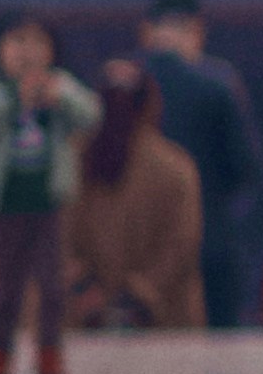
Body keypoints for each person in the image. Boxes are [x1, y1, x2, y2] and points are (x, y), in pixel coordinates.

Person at [0, 13, 92, 374]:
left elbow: (91, 114)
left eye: (36, 42)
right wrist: (16, 98)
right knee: (6, 287)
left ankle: (50, 353)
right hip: (7, 203)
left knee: (51, 285)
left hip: (48, 202)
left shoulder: (59, 86)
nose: (27, 52)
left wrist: (57, 96)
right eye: (17, 42)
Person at [139, 0, 263, 331]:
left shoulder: (122, 86)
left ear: (147, 31)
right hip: (209, 243)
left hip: (135, 253)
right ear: (195, 30)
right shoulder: (217, 86)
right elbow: (244, 167)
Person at [60, 57, 207, 344]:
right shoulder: (176, 166)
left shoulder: (71, 159)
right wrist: (120, 295)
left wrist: (122, 297)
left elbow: (181, 245)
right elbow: (56, 234)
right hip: (112, 319)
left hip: (154, 320)